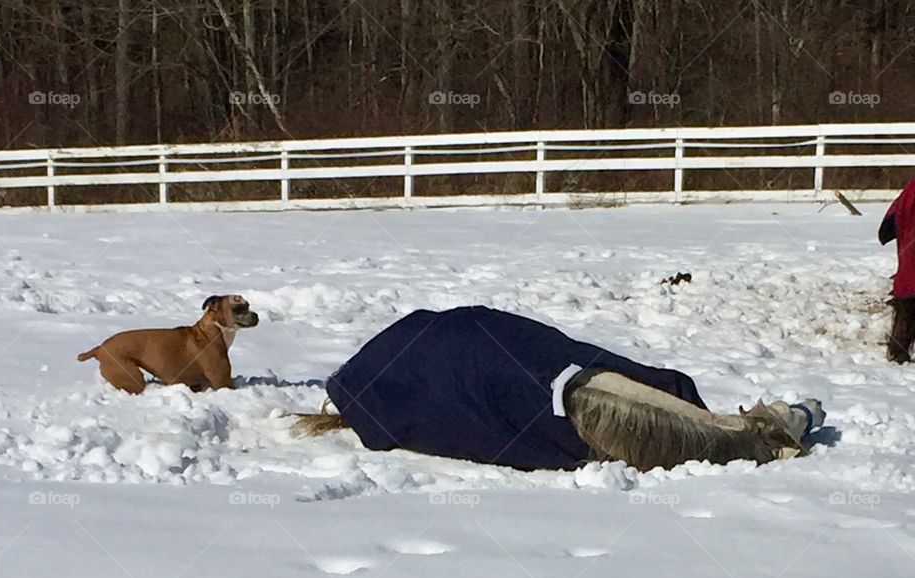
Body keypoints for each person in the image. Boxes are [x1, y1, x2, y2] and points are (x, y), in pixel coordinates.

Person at [294, 306, 825, 472]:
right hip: (515, 373)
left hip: (501, 363)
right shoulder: (399, 368)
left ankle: (757, 432)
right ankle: (765, 433)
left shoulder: (393, 372)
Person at [879, 178, 915, 363]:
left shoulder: (911, 189)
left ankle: (898, 352)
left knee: (907, 307)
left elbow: (887, 227)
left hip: (909, 269)